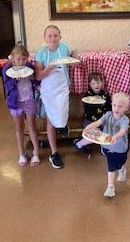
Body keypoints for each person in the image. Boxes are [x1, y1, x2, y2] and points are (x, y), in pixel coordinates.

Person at [35, 25, 78, 169]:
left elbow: (73, 53)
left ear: (60, 36)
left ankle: (63, 124)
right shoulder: (41, 53)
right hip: (48, 90)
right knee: (51, 120)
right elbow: (39, 75)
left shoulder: (64, 48)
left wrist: (75, 56)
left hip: (62, 87)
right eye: (49, 36)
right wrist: (51, 66)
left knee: (64, 110)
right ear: (45, 38)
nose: (53, 38)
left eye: (55, 35)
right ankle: (54, 153)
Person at [84, 92, 130, 198]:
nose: (116, 108)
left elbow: (123, 131)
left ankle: (122, 169)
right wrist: (88, 127)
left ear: (126, 108)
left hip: (120, 148)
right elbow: (98, 122)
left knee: (121, 162)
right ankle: (110, 187)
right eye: (114, 105)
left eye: (120, 106)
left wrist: (115, 136)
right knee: (111, 166)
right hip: (107, 146)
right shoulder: (108, 115)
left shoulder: (125, 120)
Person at [2, 45, 40, 167]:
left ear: (27, 58)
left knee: (32, 126)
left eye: (24, 59)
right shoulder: (7, 69)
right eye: (18, 59)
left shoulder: (29, 67)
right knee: (19, 128)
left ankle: (36, 153)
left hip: (28, 99)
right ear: (13, 58)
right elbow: (7, 86)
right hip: (15, 102)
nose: (21, 62)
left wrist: (32, 77)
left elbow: (36, 81)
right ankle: (21, 154)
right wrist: (15, 79)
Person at [74, 72, 111, 155]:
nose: (96, 85)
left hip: (102, 120)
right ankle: (79, 143)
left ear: (102, 83)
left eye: (98, 82)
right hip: (90, 120)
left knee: (106, 132)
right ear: (89, 84)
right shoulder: (88, 95)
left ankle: (104, 147)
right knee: (92, 135)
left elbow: (109, 108)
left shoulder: (105, 95)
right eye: (93, 83)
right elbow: (87, 109)